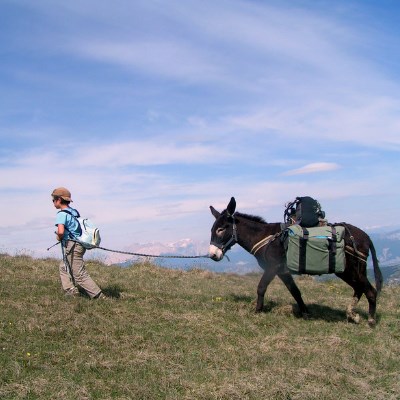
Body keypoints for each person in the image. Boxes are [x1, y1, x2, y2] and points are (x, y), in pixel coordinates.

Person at [51, 187, 105, 299]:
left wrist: (58, 237)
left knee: (79, 274)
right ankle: (70, 289)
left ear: (59, 200)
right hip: (79, 244)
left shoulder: (61, 214)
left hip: (72, 245)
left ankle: (99, 296)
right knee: (63, 266)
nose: (53, 202)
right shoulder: (74, 212)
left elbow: (61, 232)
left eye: (53, 200)